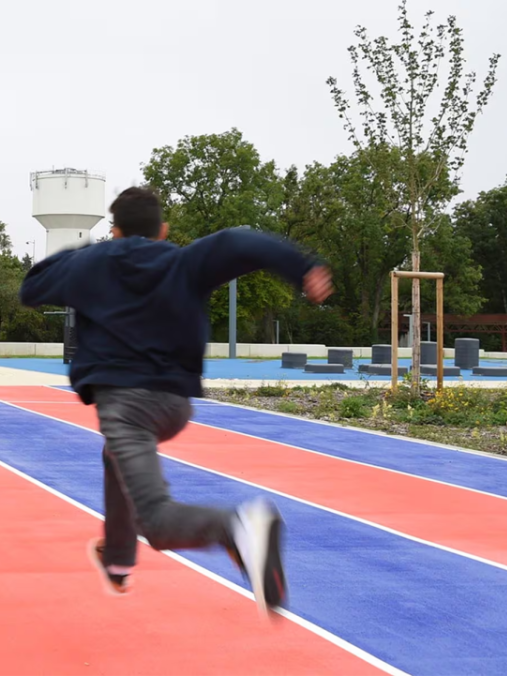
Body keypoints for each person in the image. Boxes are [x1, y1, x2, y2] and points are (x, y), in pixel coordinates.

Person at [19, 186, 333, 615]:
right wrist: (303, 267)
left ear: (115, 232)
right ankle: (118, 555)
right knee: (116, 459)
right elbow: (240, 241)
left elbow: (31, 287)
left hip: (125, 405)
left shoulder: (92, 264)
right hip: (174, 404)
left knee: (158, 522)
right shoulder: (184, 261)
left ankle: (236, 526)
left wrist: (86, 252)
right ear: (163, 231)